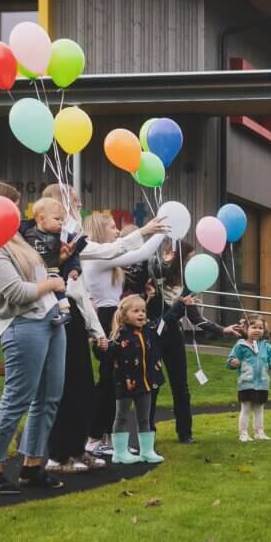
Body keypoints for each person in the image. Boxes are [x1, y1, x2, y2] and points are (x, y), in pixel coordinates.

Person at [42, 185, 168, 471]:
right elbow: (113, 250)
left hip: (80, 314)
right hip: (60, 312)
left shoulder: (72, 240)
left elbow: (81, 291)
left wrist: (96, 330)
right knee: (71, 386)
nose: (78, 204)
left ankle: (75, 448)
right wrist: (148, 231)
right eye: (73, 201)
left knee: (83, 386)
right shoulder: (53, 241)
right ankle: (60, 453)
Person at [0, 179, 69, 494]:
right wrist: (52, 285)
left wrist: (60, 263)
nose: (17, 210)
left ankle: (31, 465)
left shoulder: (17, 239)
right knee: (18, 398)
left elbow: (36, 275)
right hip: (23, 324)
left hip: (51, 320)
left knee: (49, 398)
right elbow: (16, 292)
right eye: (12, 203)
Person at [81, 212, 167, 459]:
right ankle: (94, 437)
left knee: (113, 378)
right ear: (99, 230)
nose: (117, 231)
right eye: (111, 227)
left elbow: (137, 256)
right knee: (109, 380)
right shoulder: (97, 259)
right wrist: (160, 231)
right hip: (107, 317)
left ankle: (108, 438)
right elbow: (139, 253)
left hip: (112, 315)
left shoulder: (107, 262)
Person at [146, 240, 242, 443]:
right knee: (152, 385)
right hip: (153, 335)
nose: (192, 263)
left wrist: (222, 329)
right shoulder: (155, 277)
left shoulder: (189, 284)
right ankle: (147, 433)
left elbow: (196, 318)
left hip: (173, 336)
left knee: (180, 386)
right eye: (189, 258)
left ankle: (185, 433)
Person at [103, 295, 166, 464]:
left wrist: (181, 305)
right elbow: (106, 356)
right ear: (124, 315)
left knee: (144, 418)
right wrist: (102, 347)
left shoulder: (149, 330)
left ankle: (146, 451)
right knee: (121, 416)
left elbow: (167, 319)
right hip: (125, 384)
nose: (141, 314)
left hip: (146, 383)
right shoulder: (120, 336)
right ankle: (119, 452)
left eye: (143, 311)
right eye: (136, 311)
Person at [21, 197, 77, 326]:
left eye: (62, 219)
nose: (61, 222)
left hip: (51, 269)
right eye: (57, 219)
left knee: (57, 287)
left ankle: (65, 311)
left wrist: (69, 263)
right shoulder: (27, 233)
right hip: (31, 272)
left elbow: (73, 256)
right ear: (41, 218)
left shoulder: (61, 237)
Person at [226, 315, 271, 442]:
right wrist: (233, 362)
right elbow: (230, 361)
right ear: (246, 328)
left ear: (264, 330)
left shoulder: (267, 346)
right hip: (246, 383)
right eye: (254, 327)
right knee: (245, 409)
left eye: (260, 328)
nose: (257, 330)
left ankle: (259, 432)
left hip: (262, 383)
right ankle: (243, 433)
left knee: (259, 409)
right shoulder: (240, 346)